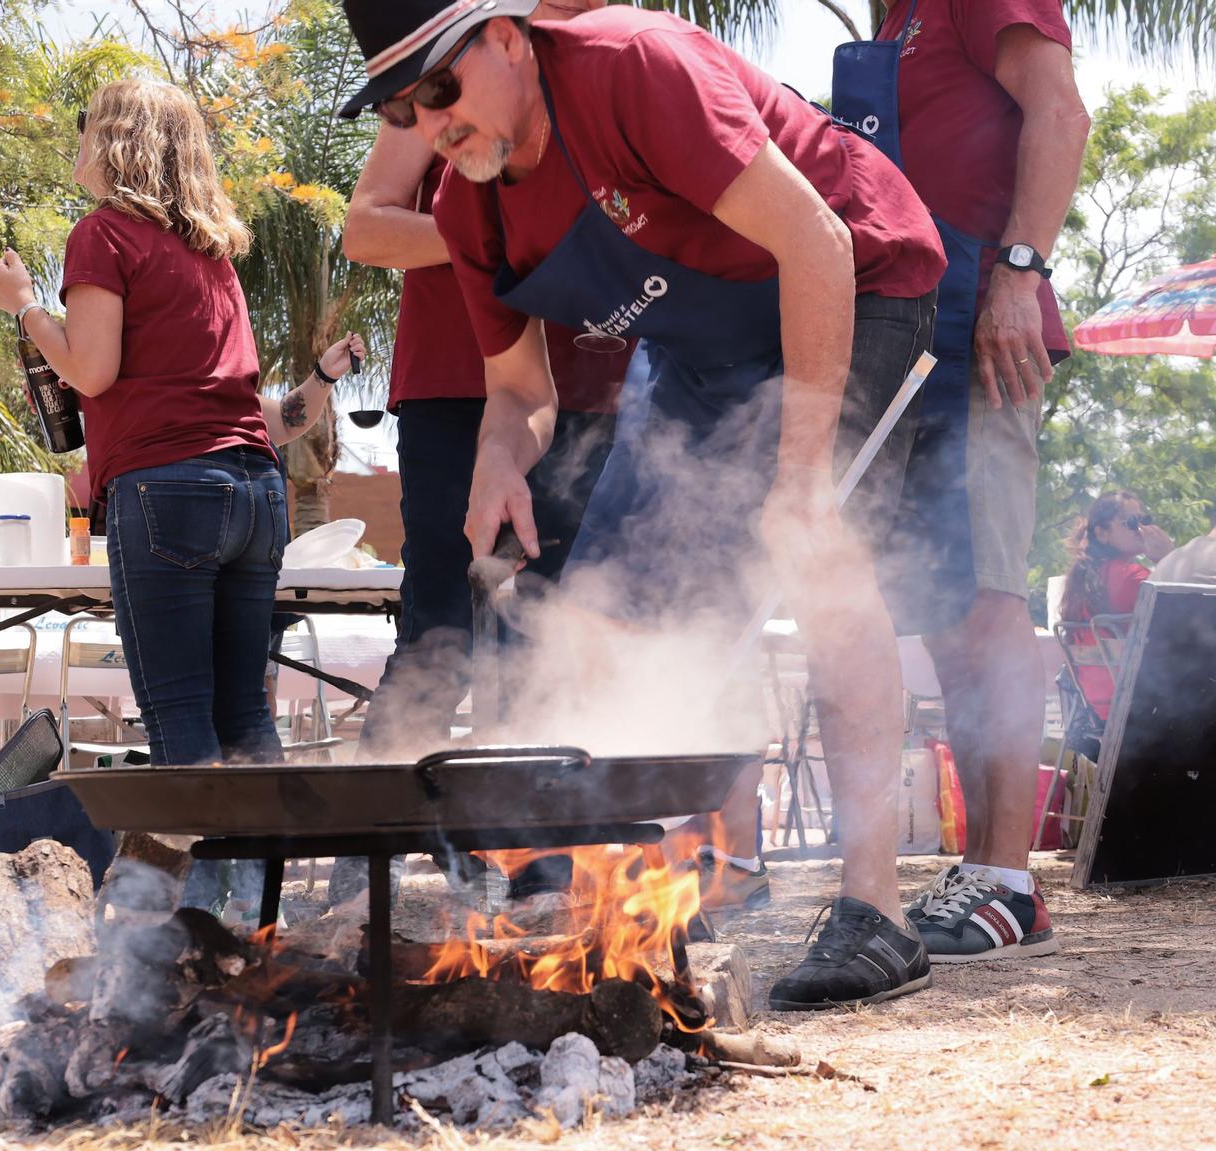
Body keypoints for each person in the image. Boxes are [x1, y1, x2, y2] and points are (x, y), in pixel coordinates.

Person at [336, 1, 946, 1009]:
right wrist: (498, 460)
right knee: (597, 619)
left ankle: (874, 911)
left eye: (438, 90)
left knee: (817, 554)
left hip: (857, 274)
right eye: (402, 109)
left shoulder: (634, 69)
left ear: (504, 37)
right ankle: (634, 906)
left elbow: (815, 242)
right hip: (706, 352)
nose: (429, 124)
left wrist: (797, 484)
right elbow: (520, 396)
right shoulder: (465, 208)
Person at [0, 80, 361, 903]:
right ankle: (256, 917)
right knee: (246, 717)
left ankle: (200, 924)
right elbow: (233, 395)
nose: (76, 144)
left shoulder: (102, 235)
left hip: (166, 492)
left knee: (182, 722)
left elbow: (90, 369)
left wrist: (23, 308)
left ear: (112, 142)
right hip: (255, 489)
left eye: (83, 128)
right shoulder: (212, 256)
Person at [333, 0, 627, 904]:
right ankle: (367, 854)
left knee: (553, 628)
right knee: (441, 627)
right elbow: (367, 225)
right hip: (461, 389)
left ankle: (535, 860)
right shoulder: (455, 58)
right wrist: (493, 247)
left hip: (585, 389)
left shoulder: (602, 54)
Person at [826, 0, 1090, 963]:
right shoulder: (894, 19)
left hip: (979, 326)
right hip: (902, 333)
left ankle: (1010, 877)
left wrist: (1017, 276)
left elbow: (1061, 114)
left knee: (986, 596)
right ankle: (980, 864)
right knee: (944, 609)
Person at [1059, 490, 1172, 717]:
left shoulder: (1080, 581)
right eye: (1130, 522)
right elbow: (1185, 612)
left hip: (1098, 707)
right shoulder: (1131, 577)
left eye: (1144, 520)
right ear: (1102, 534)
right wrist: (1169, 557)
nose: (1141, 529)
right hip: (1139, 706)